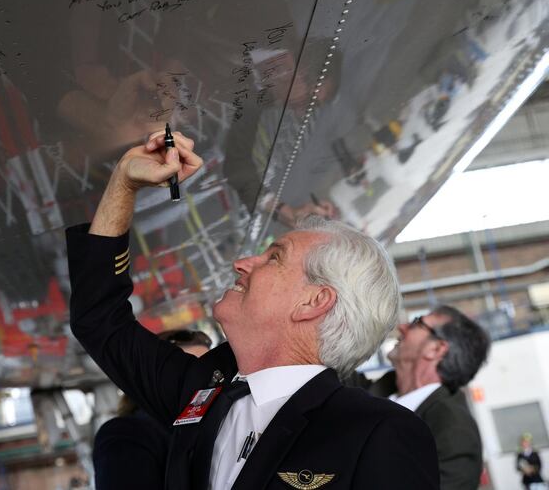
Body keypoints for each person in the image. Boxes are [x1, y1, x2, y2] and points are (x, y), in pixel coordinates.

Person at [67, 130, 439, 489]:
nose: (243, 262)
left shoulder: (378, 432)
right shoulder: (202, 390)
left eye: (274, 258)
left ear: (313, 302)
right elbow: (100, 320)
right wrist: (124, 182)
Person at [368, 306, 490, 490]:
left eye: (417, 322)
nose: (402, 326)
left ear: (435, 349)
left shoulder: (454, 434)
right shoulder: (369, 391)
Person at [93, 330, 212, 490]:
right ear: (150, 381)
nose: (203, 385)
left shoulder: (218, 425)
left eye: (211, 375)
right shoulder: (127, 434)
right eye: (186, 376)